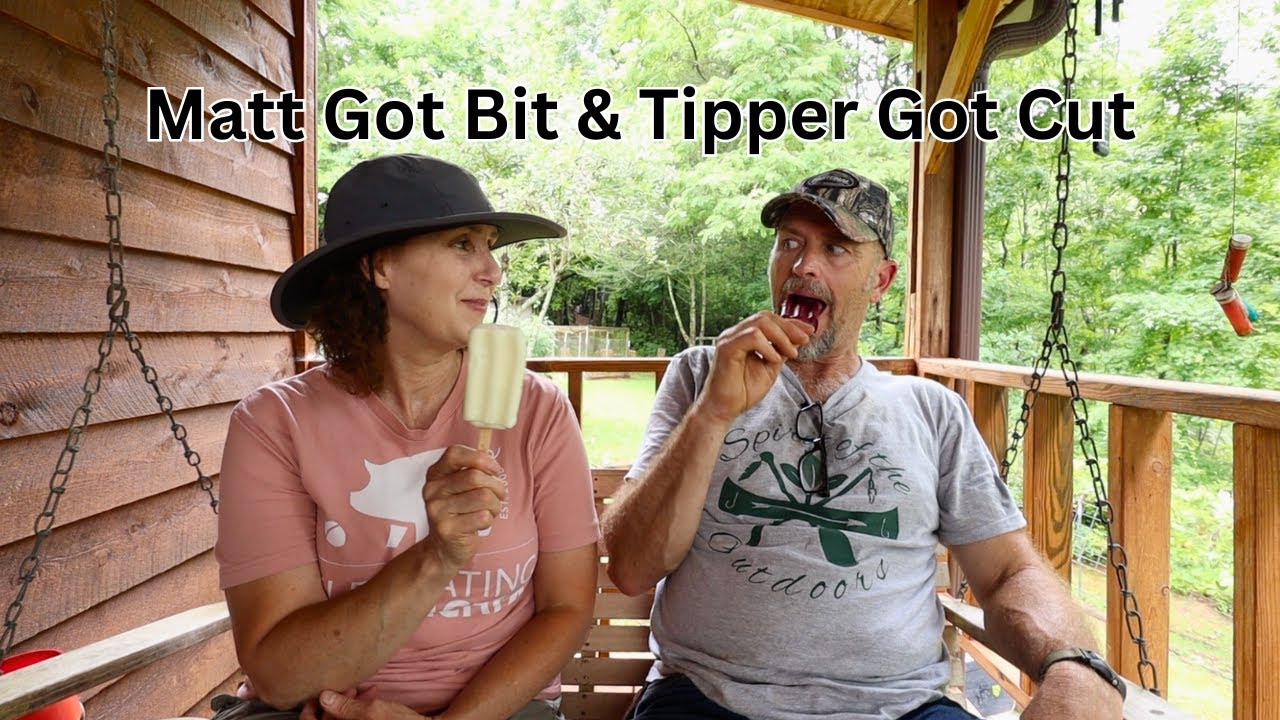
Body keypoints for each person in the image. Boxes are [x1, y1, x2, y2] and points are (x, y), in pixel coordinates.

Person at [601, 169, 1127, 720]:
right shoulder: (702, 374)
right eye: (790, 244)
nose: (804, 265)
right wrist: (713, 413)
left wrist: (1072, 665)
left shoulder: (931, 409)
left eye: (835, 248)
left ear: (881, 281)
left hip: (900, 709)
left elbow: (1007, 572)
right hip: (711, 699)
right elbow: (632, 569)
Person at [213, 154, 599, 720]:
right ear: (380, 268)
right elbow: (277, 672)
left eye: (490, 245)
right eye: (463, 244)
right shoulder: (276, 425)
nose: (493, 271)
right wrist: (437, 556)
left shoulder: (537, 411)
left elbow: (567, 608)